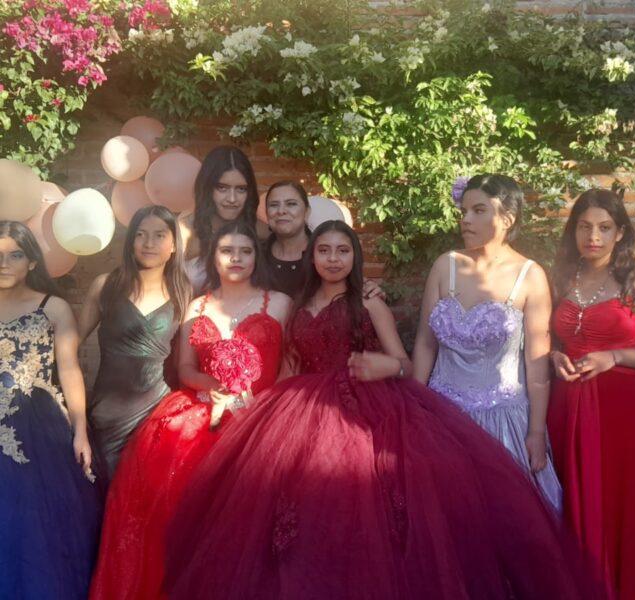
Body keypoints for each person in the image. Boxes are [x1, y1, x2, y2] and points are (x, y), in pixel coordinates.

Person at [163, 220, 603, 600]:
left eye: (342, 251)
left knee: (361, 513)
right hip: (299, 410)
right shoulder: (298, 305)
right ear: (311, 256)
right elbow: (290, 367)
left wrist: (384, 366)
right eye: (324, 250)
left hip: (364, 411)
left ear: (355, 257)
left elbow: (406, 363)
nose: (333, 259)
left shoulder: (370, 301)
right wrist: (264, 417)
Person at [89, 222, 291, 600]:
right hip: (201, 411)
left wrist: (264, 406)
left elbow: (289, 366)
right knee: (170, 502)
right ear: (213, 258)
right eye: (226, 251)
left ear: (256, 257)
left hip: (260, 415)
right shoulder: (195, 306)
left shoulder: (280, 303)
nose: (236, 258)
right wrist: (213, 387)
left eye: (245, 251)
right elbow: (185, 370)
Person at [547, 188, 635, 600]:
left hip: (620, 409)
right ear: (574, 231)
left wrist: (615, 356)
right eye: (584, 227)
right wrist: (553, 356)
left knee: (618, 498)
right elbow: (547, 338)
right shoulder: (560, 278)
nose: (593, 236)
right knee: (568, 493)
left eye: (604, 227)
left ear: (620, 233)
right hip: (565, 403)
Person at [413, 174, 561, 512]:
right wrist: (414, 407)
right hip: (442, 417)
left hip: (503, 422)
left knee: (504, 514)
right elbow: (425, 344)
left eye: (478, 210)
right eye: (464, 211)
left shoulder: (530, 276)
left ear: (507, 218)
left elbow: (537, 364)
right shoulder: (445, 265)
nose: (465, 219)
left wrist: (536, 431)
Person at [0, 221, 102, 600]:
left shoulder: (52, 307)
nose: (5, 264)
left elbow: (70, 369)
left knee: (33, 525)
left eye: (15, 255)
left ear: (31, 262)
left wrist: (80, 430)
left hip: (38, 427)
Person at [78, 205, 192, 476]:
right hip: (106, 415)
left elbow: (185, 361)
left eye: (159, 235)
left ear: (174, 245)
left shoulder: (184, 292)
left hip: (156, 413)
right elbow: (69, 346)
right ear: (130, 242)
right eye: (140, 234)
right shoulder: (105, 285)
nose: (149, 243)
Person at [178, 145, 270, 291]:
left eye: (241, 189)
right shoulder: (184, 232)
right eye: (222, 188)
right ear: (207, 188)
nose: (232, 199)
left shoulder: (263, 232)